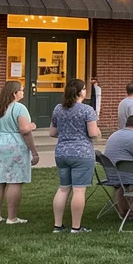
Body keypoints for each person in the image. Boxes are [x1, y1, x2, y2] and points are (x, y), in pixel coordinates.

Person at [50, 79, 100, 233]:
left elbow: (52, 133)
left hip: (62, 152)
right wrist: (98, 132)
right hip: (82, 153)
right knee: (79, 190)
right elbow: (92, 133)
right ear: (80, 92)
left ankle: (57, 225)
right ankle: (76, 227)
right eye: (84, 88)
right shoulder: (87, 110)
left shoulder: (58, 109)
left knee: (63, 188)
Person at [0, 80, 38, 225]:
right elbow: (24, 130)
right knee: (14, 181)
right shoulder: (19, 108)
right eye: (21, 90)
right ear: (14, 93)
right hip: (14, 145)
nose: (23, 93)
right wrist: (34, 151)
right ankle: (12, 217)